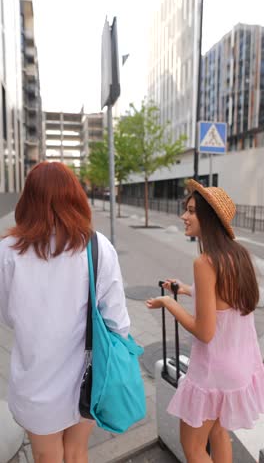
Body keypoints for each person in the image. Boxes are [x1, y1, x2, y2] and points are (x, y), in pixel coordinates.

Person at [0, 162, 130, 463]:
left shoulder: (8, 251)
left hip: (35, 380)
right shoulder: (98, 247)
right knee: (76, 452)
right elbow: (118, 322)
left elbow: (6, 315)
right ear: (76, 197)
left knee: (47, 456)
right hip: (88, 378)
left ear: (27, 199)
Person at [146, 179, 264, 463]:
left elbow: (205, 331)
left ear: (208, 219)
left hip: (212, 371)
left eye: (191, 211)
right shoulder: (239, 256)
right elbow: (226, 301)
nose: (183, 217)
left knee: (194, 448)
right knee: (220, 435)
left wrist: (170, 304)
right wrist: (187, 290)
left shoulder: (205, 262)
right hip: (238, 368)